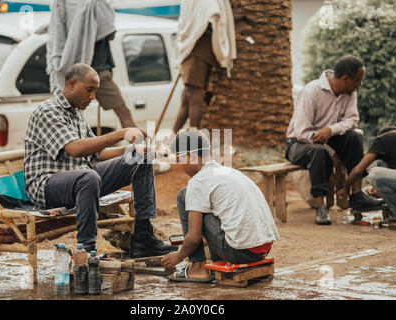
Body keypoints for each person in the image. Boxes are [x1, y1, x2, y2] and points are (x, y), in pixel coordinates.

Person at [24, 63, 177, 258]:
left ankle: (143, 238)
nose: (93, 97)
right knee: (88, 177)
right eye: (89, 90)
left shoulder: (76, 112)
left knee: (141, 159)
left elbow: (96, 154)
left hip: (81, 180)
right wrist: (120, 133)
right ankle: (86, 249)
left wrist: (131, 149)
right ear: (71, 84)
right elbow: (75, 149)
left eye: (95, 91)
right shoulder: (48, 111)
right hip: (46, 186)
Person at [161, 129, 280, 282]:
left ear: (189, 156)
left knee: (183, 195)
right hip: (263, 249)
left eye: (179, 159)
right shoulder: (229, 172)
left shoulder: (198, 182)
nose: (180, 166)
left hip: (240, 252)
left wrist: (178, 256)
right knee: (204, 204)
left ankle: (197, 267)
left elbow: (193, 237)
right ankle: (216, 258)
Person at [285, 55, 381, 225]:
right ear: (345, 78)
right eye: (358, 80)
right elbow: (302, 132)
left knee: (355, 137)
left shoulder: (349, 92)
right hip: (299, 143)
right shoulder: (311, 92)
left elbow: (352, 120)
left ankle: (357, 196)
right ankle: (320, 206)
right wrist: (333, 153)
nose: (360, 84)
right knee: (319, 151)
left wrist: (331, 130)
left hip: (329, 139)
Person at [47, 0, 136, 129]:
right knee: (124, 113)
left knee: (71, 117)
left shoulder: (66, 5)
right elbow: (110, 34)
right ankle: (138, 148)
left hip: (80, 71)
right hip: (98, 72)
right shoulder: (95, 3)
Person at [172, 0, 236, 133]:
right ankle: (172, 137)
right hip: (196, 51)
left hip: (196, 52)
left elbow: (212, 15)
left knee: (194, 97)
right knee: (187, 98)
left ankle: (193, 140)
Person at [338, 126, 396, 218]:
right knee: (382, 164)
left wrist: (345, 188)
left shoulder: (383, 139)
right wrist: (381, 192)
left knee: (375, 174)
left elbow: (358, 170)